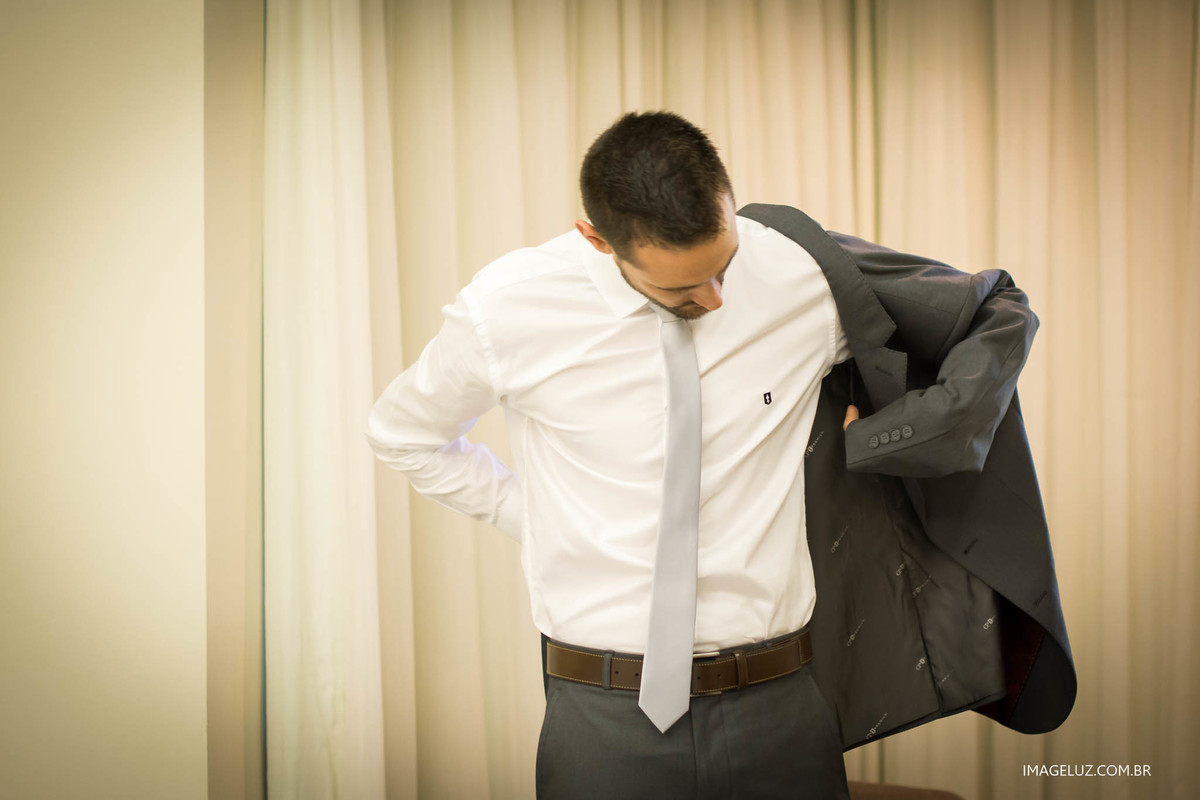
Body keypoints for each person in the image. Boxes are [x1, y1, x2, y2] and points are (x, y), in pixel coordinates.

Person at [365, 111, 1066, 799]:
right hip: (602, 717)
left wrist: (892, 438)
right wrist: (535, 515)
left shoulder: (798, 269)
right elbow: (403, 433)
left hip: (784, 706)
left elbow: (993, 311)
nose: (717, 297)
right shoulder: (507, 309)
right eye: (682, 288)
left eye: (725, 267)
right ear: (598, 240)